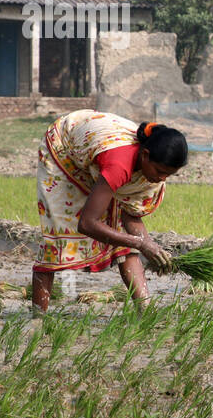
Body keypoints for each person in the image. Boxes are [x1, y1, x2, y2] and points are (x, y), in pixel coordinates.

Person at [31, 110, 188, 311]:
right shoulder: (119, 165)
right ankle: (38, 318)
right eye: (160, 172)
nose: (162, 179)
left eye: (169, 175)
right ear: (145, 155)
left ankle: (145, 311)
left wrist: (147, 245)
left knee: (120, 230)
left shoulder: (148, 171)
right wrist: (141, 244)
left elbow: (130, 214)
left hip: (100, 157)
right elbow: (87, 223)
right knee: (58, 237)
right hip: (65, 149)